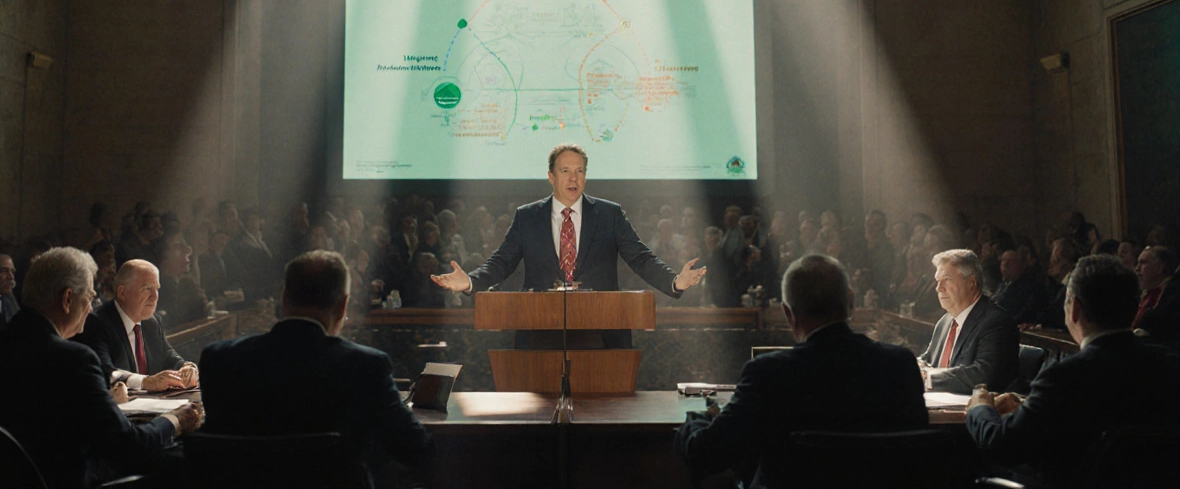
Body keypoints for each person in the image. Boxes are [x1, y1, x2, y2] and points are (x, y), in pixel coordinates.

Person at [0, 247, 202, 488]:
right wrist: (175, 419)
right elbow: (126, 445)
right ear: (67, 299)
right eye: (90, 297)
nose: (92, 307)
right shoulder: (75, 359)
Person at [675, 254, 928, 487]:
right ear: (851, 301)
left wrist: (698, 419)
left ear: (788, 314)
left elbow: (705, 455)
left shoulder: (769, 373)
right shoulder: (900, 364)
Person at [431, 144, 705, 347]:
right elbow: (501, 262)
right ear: (551, 176)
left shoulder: (610, 214)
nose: (573, 178)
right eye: (565, 171)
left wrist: (675, 282)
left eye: (579, 171)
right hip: (540, 333)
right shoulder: (527, 216)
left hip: (601, 333)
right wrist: (469, 282)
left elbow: (641, 258)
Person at [200, 251, 432, 482]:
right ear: (342, 306)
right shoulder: (366, 367)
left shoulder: (219, 360)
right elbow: (416, 446)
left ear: (284, 299)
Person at [966, 254, 1180, 488]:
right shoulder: (1169, 364)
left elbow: (1003, 447)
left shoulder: (1065, 377)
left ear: (1074, 308)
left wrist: (980, 408)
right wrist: (1030, 407)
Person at [75, 259, 196, 391]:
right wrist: (145, 382)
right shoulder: (97, 323)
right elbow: (105, 371)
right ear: (122, 292)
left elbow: (166, 354)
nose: (155, 296)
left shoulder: (152, 322)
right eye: (147, 288)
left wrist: (185, 367)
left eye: (156, 289)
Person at [919, 249, 1018, 392]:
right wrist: (913, 366)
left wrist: (929, 377)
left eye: (946, 280)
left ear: (971, 282)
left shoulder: (996, 322)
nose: (938, 288)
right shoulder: (945, 321)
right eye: (938, 281)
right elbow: (928, 360)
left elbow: (984, 375)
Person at [1133, 245, 1179, 349]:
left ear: (1159, 268)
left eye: (1143, 263)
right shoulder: (1140, 294)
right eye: (1137, 263)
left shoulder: (1173, 298)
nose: (1137, 268)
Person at [992, 247, 1050, 325]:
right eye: (1003, 260)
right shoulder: (1001, 285)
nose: (1005, 264)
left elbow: (1025, 314)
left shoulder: (1031, 287)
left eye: (1011, 262)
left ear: (1022, 265)